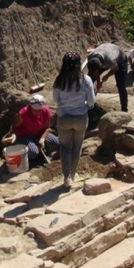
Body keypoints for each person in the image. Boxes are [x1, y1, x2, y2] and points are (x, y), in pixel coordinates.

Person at [52, 51, 95, 187]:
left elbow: (55, 100)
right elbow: (91, 101)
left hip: (63, 118)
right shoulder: (86, 80)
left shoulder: (58, 80)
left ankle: (66, 178)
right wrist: (85, 106)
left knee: (65, 148)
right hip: (80, 118)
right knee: (77, 147)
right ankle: (73, 174)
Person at [9, 94, 59, 162]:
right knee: (33, 152)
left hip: (38, 134)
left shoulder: (46, 111)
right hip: (25, 136)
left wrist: (42, 139)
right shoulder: (23, 113)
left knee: (55, 141)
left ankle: (41, 152)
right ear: (31, 106)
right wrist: (13, 135)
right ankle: (34, 156)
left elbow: (47, 128)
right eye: (34, 110)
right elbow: (14, 126)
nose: (37, 112)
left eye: (39, 110)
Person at [87, 43, 129, 112]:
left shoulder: (110, 60)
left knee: (120, 85)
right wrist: (98, 83)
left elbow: (116, 69)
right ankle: (89, 101)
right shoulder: (90, 57)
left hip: (120, 60)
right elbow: (95, 72)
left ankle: (124, 109)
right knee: (89, 79)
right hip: (105, 53)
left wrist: (106, 76)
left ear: (101, 65)